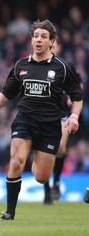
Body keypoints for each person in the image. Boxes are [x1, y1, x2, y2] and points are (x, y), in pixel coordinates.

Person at [0, 19, 82, 220]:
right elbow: (7, 93)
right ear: (31, 40)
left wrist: (74, 115)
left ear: (52, 41)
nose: (38, 40)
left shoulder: (62, 68)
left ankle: (40, 161)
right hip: (24, 120)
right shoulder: (21, 66)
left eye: (44, 37)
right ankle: (10, 212)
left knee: (41, 176)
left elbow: (77, 96)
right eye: (35, 36)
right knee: (16, 162)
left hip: (50, 125)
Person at [42, 36, 82, 205]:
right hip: (41, 114)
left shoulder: (66, 66)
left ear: (56, 46)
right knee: (42, 152)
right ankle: (46, 190)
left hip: (61, 113)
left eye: (54, 44)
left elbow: (78, 86)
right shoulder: (36, 65)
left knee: (60, 147)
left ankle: (56, 181)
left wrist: (72, 98)